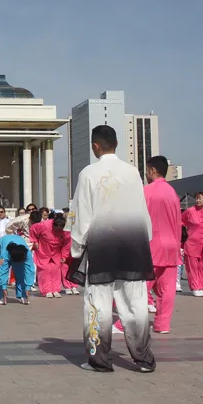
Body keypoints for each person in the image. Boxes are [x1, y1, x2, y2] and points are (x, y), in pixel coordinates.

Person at [67, 125, 155, 373]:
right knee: (135, 303)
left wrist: (76, 248)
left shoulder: (88, 174)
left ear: (95, 146)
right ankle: (143, 359)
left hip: (103, 246)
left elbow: (81, 214)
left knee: (98, 303)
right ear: (116, 143)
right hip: (133, 244)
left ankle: (100, 360)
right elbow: (142, 210)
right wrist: (145, 238)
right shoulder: (132, 172)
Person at [141, 155, 182, 333]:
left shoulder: (145, 191)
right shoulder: (172, 193)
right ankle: (162, 324)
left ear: (152, 170)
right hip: (171, 246)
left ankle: (127, 323)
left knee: (140, 288)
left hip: (151, 246)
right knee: (167, 289)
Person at [30, 215, 69, 298]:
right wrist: (35, 241)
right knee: (44, 270)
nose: (58, 230)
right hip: (43, 249)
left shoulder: (66, 230)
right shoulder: (44, 225)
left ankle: (55, 290)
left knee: (56, 269)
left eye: (60, 229)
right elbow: (33, 229)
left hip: (56, 251)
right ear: (53, 225)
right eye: (56, 228)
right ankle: (46, 290)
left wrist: (64, 256)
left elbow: (67, 244)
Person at [0, 232, 34, 305]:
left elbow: (30, 270)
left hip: (18, 250)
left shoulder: (27, 253)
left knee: (20, 274)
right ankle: (2, 294)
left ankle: (23, 294)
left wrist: (28, 287)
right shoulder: (4, 253)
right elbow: (3, 271)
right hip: (3, 246)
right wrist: (4, 286)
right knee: (2, 274)